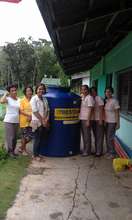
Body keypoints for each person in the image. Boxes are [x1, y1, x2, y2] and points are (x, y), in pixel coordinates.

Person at [30, 83, 50, 161]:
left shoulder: (44, 99)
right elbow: (35, 111)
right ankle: (35, 155)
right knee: (37, 139)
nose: (41, 90)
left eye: (42, 89)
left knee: (41, 138)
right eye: (39, 89)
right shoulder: (34, 99)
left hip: (44, 121)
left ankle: (38, 153)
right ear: (36, 90)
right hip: (36, 122)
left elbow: (48, 110)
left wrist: (46, 119)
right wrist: (43, 120)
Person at [0, 84, 20, 157]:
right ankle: (10, 152)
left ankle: (13, 151)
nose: (14, 92)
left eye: (15, 90)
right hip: (9, 121)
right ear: (10, 92)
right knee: (10, 137)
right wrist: (5, 94)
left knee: (15, 137)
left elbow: (20, 110)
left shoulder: (19, 100)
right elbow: (1, 101)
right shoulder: (8, 99)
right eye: (12, 91)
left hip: (17, 121)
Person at [104, 87, 120, 159]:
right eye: (106, 92)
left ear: (112, 92)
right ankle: (109, 151)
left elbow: (117, 113)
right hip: (106, 121)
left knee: (110, 138)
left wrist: (118, 123)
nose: (108, 93)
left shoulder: (115, 101)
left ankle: (112, 153)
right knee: (107, 138)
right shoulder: (106, 100)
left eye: (109, 92)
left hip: (112, 122)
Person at [79, 85, 95, 156]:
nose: (83, 91)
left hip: (87, 119)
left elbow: (90, 109)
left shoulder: (89, 98)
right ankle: (85, 149)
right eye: (82, 90)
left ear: (88, 90)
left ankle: (87, 151)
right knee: (84, 135)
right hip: (82, 118)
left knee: (87, 135)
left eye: (85, 89)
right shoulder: (83, 97)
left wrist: (88, 120)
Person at [19, 86, 33, 155]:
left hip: (31, 121)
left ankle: (21, 147)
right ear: (25, 92)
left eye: (30, 90)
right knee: (24, 136)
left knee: (30, 137)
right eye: (27, 91)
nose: (29, 92)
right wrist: (29, 115)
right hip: (24, 121)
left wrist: (32, 117)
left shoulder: (33, 100)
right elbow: (20, 111)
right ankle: (23, 150)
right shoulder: (22, 100)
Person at [90, 87, 104, 157]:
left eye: (93, 91)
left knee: (99, 136)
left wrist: (101, 120)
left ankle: (99, 152)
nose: (92, 93)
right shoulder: (92, 99)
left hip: (99, 120)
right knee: (95, 136)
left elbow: (102, 110)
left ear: (96, 92)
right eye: (91, 92)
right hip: (94, 120)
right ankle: (96, 150)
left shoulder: (99, 98)